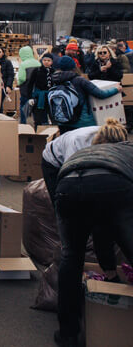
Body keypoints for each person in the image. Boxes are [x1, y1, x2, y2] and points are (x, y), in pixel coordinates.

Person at [53, 136, 133, 347]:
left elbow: (102, 232)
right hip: (112, 183)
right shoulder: (127, 154)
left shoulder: (104, 149)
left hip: (67, 183)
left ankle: (67, 334)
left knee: (71, 256)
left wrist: (109, 269)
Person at [41, 118, 127, 198]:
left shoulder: (109, 132)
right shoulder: (76, 141)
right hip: (52, 161)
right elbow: (70, 174)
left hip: (82, 155)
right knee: (61, 196)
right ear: (102, 142)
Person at [48, 55, 121, 132]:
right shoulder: (79, 80)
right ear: (73, 66)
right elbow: (100, 94)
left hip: (63, 121)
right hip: (82, 122)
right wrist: (115, 89)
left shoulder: (55, 80)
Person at [24, 52, 55, 127]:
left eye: (48, 60)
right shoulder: (36, 70)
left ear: (52, 62)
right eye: (44, 60)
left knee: (53, 118)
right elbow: (30, 84)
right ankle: (37, 134)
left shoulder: (54, 71)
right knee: (38, 119)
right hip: (39, 97)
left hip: (51, 97)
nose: (46, 62)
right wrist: (30, 98)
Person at [16, 46, 42, 124]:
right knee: (35, 107)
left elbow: (21, 78)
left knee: (24, 107)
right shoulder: (38, 63)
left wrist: (18, 83)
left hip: (26, 89)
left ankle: (24, 124)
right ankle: (36, 124)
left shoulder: (23, 64)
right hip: (36, 90)